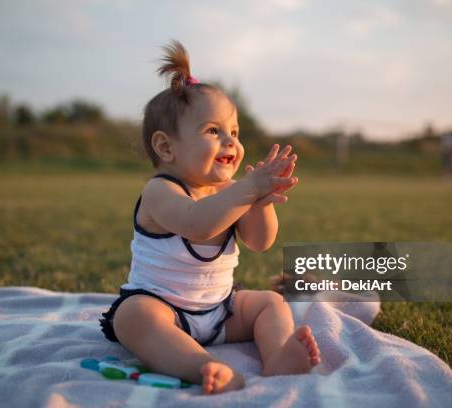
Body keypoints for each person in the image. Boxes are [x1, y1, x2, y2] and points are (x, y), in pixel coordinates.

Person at [99, 40, 320, 394]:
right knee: (134, 317)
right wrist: (246, 190)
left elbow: (260, 242)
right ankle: (204, 366)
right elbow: (197, 222)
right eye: (213, 131)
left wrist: (261, 201)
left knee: (270, 303)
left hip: (221, 311)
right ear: (166, 147)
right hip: (164, 308)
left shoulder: (230, 192)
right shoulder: (160, 191)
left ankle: (278, 357)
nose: (230, 142)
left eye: (234, 132)